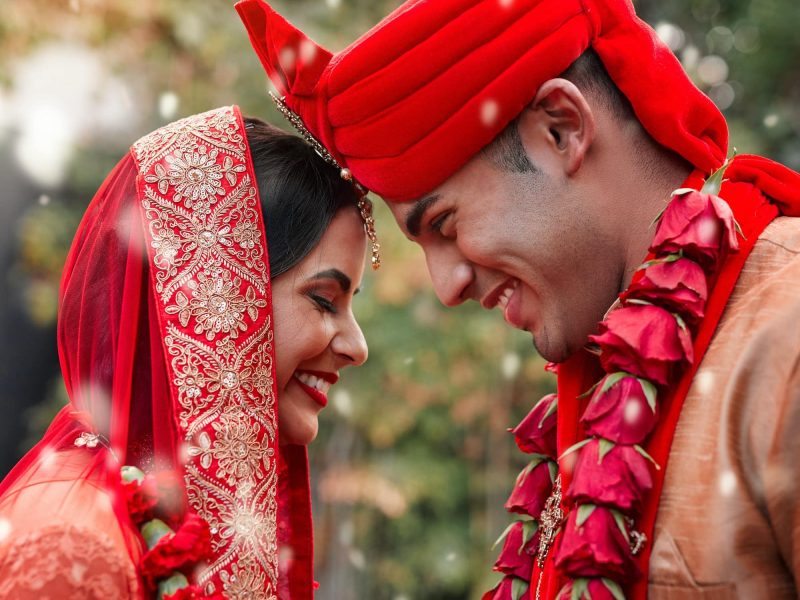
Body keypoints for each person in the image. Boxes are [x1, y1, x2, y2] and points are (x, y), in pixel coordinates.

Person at [236, 0, 800, 598]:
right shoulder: (600, 372)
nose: (447, 288)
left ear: (561, 129)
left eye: (446, 225)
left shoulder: (783, 334)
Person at [0, 105, 370, 599]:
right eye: (324, 300)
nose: (357, 347)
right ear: (217, 297)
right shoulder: (70, 549)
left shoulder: (159, 512)